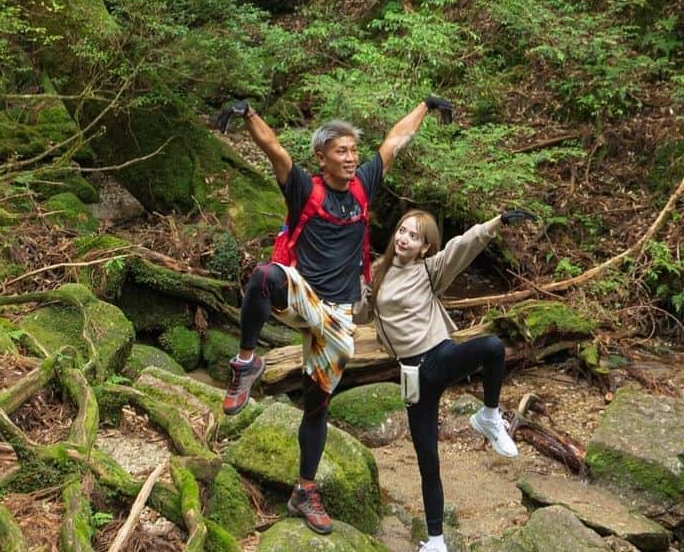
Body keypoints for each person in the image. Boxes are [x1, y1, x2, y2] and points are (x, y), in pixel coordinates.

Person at [214, 95, 453, 535]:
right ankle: (246, 362)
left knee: (316, 404)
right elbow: (275, 150)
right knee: (265, 276)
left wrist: (425, 105)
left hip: (340, 316)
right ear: (321, 157)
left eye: (352, 152)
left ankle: (304, 490)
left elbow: (395, 142)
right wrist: (248, 113)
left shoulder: (362, 186)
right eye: (340, 151)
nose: (350, 158)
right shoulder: (305, 188)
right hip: (304, 294)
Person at [361, 207, 536, 552]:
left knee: (492, 346)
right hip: (413, 379)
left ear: (425, 247)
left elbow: (462, 246)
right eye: (402, 231)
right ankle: (437, 541)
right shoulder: (377, 273)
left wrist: (496, 222)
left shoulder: (429, 270)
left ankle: (488, 416)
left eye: (414, 235)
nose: (404, 238)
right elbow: (361, 314)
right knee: (428, 460)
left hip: (437, 357)